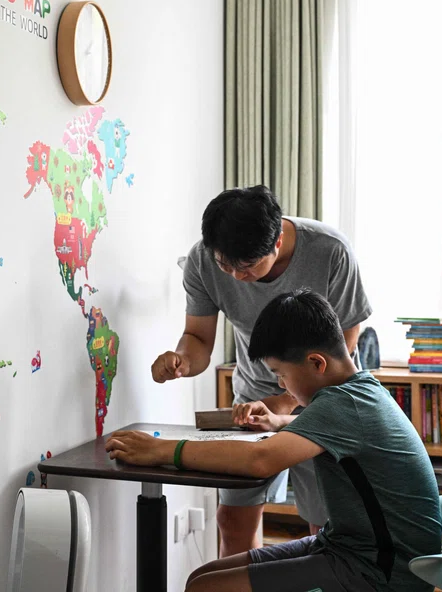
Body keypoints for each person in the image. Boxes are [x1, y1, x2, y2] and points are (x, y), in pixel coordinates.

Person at [112, 290, 441, 592]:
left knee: (205, 588)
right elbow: (330, 429)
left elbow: (260, 460)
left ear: (316, 363)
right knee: (200, 579)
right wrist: (280, 420)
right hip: (350, 547)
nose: (282, 384)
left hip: (381, 572)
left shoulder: (341, 404)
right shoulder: (359, 390)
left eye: (281, 374)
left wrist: (163, 449)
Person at [152, 185, 371, 556]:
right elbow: (198, 338)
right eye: (226, 265)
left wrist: (288, 399)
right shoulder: (202, 261)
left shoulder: (330, 251)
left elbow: (346, 337)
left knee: (326, 525)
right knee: (233, 519)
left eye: (248, 266)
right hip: (252, 402)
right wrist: (182, 361)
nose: (236, 276)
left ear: (278, 240)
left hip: (323, 396)